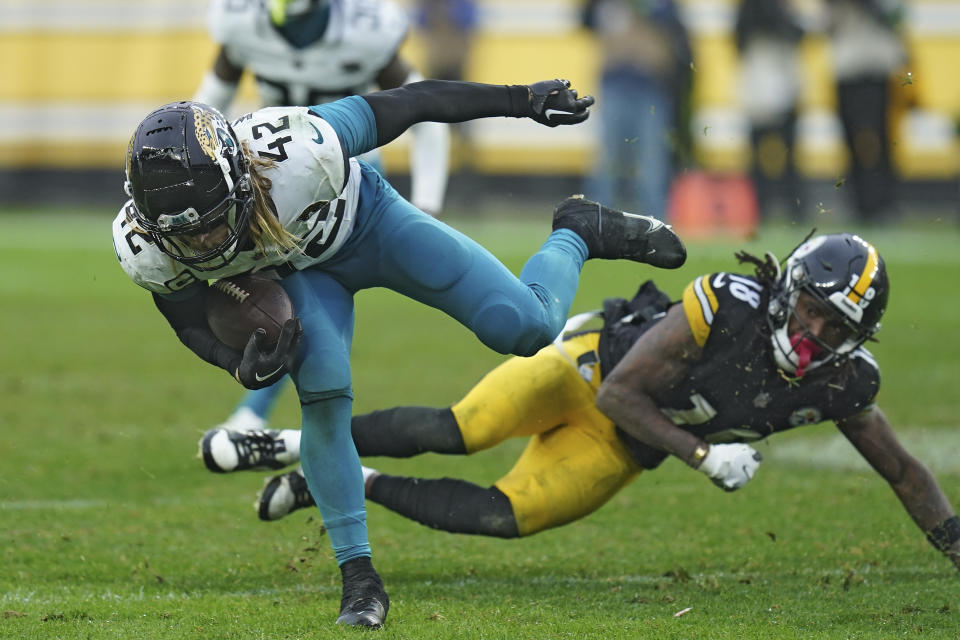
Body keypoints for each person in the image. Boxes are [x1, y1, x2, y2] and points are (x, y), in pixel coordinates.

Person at [112, 78, 687, 628]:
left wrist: (520, 100)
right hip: (301, 278)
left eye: (210, 226)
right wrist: (231, 363)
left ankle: (578, 231)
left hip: (369, 223)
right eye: (184, 239)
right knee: (325, 392)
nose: (204, 244)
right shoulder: (146, 247)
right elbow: (186, 320)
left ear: (240, 177)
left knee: (525, 327)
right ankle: (359, 579)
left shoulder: (298, 151)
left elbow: (412, 102)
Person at [207, 233, 960, 573]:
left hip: (627, 446)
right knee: (460, 429)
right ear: (788, 290)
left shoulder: (842, 382)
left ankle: (346, 481)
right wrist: (701, 454)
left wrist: (952, 539)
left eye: (838, 327)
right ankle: (292, 446)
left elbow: (899, 469)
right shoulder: (722, 305)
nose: (816, 331)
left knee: (505, 517)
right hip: (590, 368)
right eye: (812, 311)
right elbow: (624, 391)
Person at [194, 0, 451, 439]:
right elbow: (207, 108)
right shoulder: (241, 22)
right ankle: (283, 418)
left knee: (310, 301)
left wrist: (428, 204)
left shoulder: (366, 27)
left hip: (350, 178)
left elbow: (424, 111)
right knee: (286, 299)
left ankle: (260, 414)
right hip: (269, 182)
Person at [581, 0, 692, 217]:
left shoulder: (662, 5)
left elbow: (667, 46)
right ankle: (598, 220)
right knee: (610, 159)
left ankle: (654, 221)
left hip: (650, 88)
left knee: (650, 161)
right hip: (619, 85)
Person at [825, 0, 908, 222]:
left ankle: (882, 203)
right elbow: (827, 25)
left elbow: (895, 16)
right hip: (847, 69)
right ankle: (860, 203)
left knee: (877, 139)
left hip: (875, 69)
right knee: (853, 139)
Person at [735, 0, 805, 221]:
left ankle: (793, 207)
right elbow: (741, 38)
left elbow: (799, 35)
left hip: (782, 80)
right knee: (758, 156)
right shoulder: (750, 9)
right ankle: (763, 207)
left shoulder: (783, 10)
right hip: (759, 81)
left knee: (789, 155)